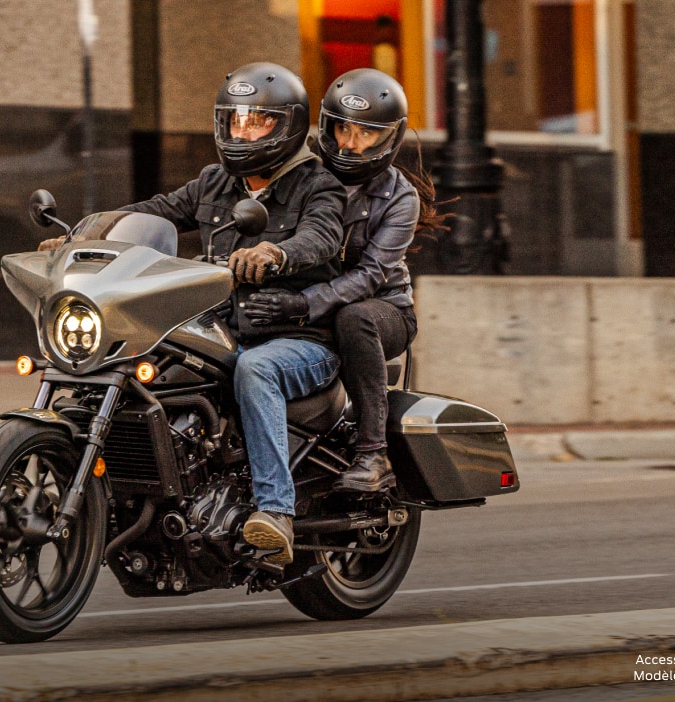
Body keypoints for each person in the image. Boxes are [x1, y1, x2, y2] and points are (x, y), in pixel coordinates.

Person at [42, 63, 345, 565]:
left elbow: (322, 236)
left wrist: (277, 254)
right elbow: (153, 212)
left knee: (257, 369)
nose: (243, 132)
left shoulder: (319, 184)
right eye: (235, 121)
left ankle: (276, 512)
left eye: (258, 122)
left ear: (289, 126)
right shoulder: (214, 182)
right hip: (224, 327)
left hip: (299, 339)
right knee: (152, 367)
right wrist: (82, 235)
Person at [245, 68, 444, 493]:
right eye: (342, 129)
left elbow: (371, 275)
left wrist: (304, 304)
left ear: (390, 138)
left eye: (366, 134)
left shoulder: (399, 197)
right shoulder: (305, 177)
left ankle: (373, 454)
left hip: (383, 310)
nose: (350, 144)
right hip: (304, 307)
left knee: (355, 318)